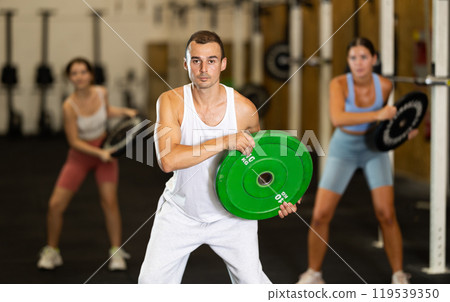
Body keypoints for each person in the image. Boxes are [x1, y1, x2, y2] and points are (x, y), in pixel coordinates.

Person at [138, 30, 298, 284]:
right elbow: (168, 160)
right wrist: (224, 140)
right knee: (150, 286)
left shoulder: (244, 109)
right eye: (196, 60)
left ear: (223, 64)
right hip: (181, 213)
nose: (203, 69)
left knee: (252, 286)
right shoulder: (171, 102)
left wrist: (278, 197)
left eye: (211, 60)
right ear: (186, 63)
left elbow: (256, 165)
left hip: (232, 216)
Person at [296, 38, 416, 284]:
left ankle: (398, 274)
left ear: (374, 59)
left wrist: (403, 130)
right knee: (320, 214)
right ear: (348, 61)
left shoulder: (384, 86)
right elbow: (338, 118)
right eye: (353, 58)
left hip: (374, 149)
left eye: (363, 57)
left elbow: (390, 120)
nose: (358, 63)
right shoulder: (339, 84)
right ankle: (314, 273)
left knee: (386, 213)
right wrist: (378, 114)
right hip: (343, 149)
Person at [37, 58, 136, 271]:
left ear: (90, 75)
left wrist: (124, 112)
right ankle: (52, 251)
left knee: (109, 201)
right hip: (81, 155)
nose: (80, 76)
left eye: (83, 72)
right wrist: (99, 153)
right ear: (69, 78)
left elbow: (105, 111)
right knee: (55, 205)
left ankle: (116, 252)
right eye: (74, 73)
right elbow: (74, 141)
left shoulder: (101, 92)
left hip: (105, 151)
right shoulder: (68, 106)